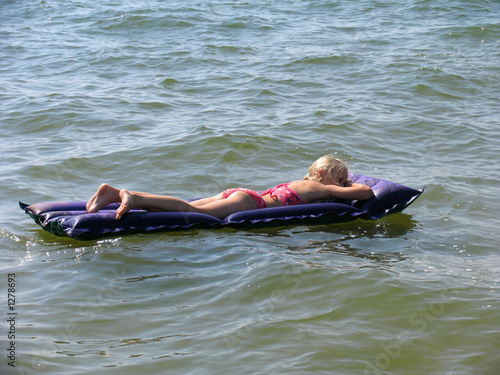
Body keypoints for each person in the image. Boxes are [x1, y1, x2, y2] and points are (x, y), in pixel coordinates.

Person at [86, 155, 374, 220]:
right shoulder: (322, 189)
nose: (342, 182)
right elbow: (365, 193)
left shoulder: (300, 181)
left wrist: (345, 180)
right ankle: (132, 196)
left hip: (246, 195)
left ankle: (114, 193)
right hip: (252, 204)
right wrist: (351, 185)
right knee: (191, 211)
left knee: (193, 207)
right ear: (322, 174)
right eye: (340, 177)